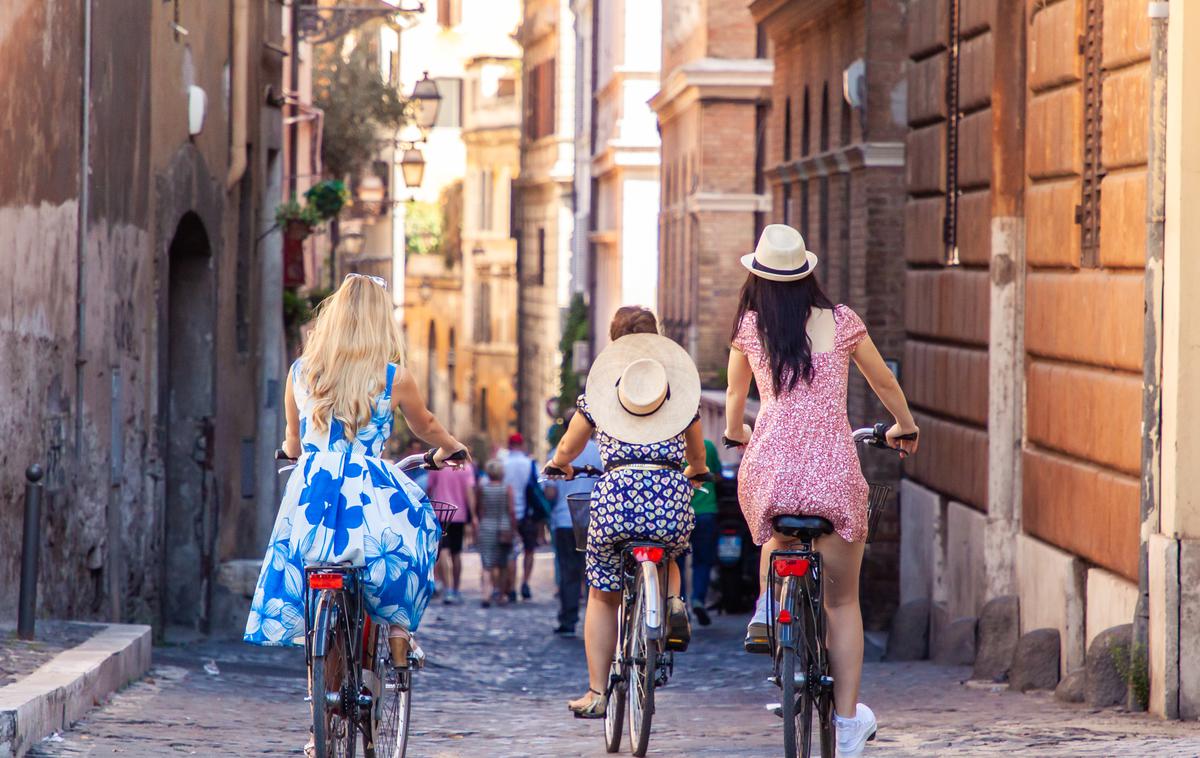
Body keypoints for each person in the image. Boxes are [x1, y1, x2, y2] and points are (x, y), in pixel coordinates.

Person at [243, 274, 468, 754]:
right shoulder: (391, 376)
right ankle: (401, 630)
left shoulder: (302, 372)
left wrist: (293, 451)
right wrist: (453, 447)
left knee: (316, 579)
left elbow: (291, 441)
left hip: (314, 494)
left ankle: (317, 719)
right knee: (414, 537)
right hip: (367, 493)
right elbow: (424, 425)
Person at [724, 225, 919, 758]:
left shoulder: (749, 327)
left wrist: (737, 432)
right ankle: (849, 721)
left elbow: (734, 401)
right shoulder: (843, 322)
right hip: (834, 474)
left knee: (775, 527)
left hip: (771, 471)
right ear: (808, 272)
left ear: (757, 276)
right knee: (843, 601)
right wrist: (903, 423)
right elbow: (883, 382)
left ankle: (769, 606)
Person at [550, 306, 710, 718]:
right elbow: (697, 456)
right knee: (672, 549)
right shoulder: (679, 394)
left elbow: (568, 448)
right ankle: (673, 601)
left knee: (602, 597)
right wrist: (694, 472)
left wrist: (560, 464)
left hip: (616, 500)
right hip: (668, 498)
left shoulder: (601, 396)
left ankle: (597, 691)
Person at [543, 432, 602, 637]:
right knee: (596, 574)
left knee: (569, 573)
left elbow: (550, 492)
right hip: (596, 520)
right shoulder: (601, 451)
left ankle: (568, 621)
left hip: (565, 519)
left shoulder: (556, 453)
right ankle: (597, 623)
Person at [678, 437, 722, 626]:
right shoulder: (708, 446)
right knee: (703, 561)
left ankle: (678, 605)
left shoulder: (673, 445)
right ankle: (698, 600)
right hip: (706, 511)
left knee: (677, 563)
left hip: (678, 512)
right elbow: (717, 475)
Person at [427, 459, 477, 604]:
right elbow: (469, 492)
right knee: (457, 553)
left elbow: (430, 488)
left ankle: (447, 588)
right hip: (459, 515)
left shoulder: (437, 466)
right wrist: (473, 515)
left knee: (443, 551)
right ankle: (455, 588)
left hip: (441, 513)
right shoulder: (466, 468)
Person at [502, 432, 542, 601]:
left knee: (511, 553)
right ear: (522, 445)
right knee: (529, 550)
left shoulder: (503, 463)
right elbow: (538, 486)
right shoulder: (530, 463)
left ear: (509, 445)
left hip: (508, 513)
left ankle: (511, 587)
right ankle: (525, 582)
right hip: (528, 514)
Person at [475, 459, 517, 607]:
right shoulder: (507, 489)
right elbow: (511, 510)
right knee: (503, 563)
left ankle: (486, 595)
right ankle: (501, 594)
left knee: (487, 564)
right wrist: (514, 528)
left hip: (486, 526)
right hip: (504, 528)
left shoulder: (483, 488)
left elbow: (480, 509)